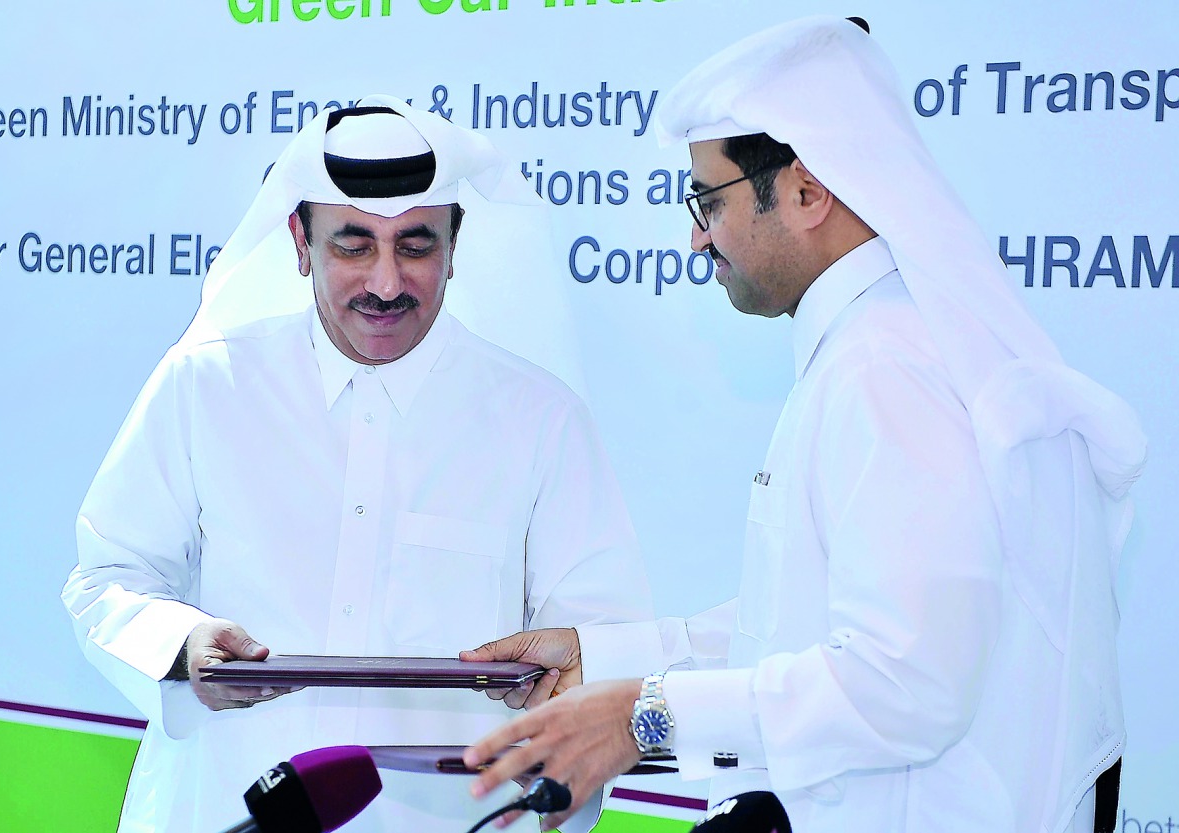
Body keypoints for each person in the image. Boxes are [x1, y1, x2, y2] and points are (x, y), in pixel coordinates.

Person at [462, 17, 1146, 833]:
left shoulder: (888, 369)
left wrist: (644, 715)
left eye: (706, 202)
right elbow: (798, 626)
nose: (694, 236)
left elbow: (904, 684)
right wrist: (601, 660)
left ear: (807, 190)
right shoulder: (877, 345)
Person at [61, 96, 655, 833]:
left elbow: (599, 647)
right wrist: (180, 650)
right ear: (300, 243)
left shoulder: (542, 419)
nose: (384, 282)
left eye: (414, 245)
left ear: (453, 244)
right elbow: (106, 580)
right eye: (352, 245)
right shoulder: (206, 384)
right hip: (219, 809)